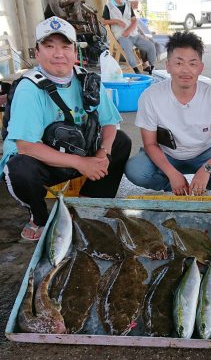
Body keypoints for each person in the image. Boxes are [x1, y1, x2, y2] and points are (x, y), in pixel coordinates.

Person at [0, 16, 131, 241]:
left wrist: (102, 154)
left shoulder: (87, 80)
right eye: (49, 46)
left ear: (74, 51)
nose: (58, 54)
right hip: (43, 163)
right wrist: (82, 163)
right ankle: (39, 217)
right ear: (37, 52)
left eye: (65, 46)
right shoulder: (28, 89)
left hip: (79, 151)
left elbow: (110, 122)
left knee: (121, 141)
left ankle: (90, 203)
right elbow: (26, 146)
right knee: (20, 168)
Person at [125, 31, 211, 198]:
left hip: (205, 152)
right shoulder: (150, 96)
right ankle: (174, 188)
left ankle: (204, 185)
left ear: (201, 68)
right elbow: (150, 144)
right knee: (135, 169)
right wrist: (172, 173)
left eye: (192, 64)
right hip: (167, 154)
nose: (186, 70)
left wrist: (206, 170)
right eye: (179, 63)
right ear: (168, 66)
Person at [102, 0, 157, 74]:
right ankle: (135, 69)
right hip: (121, 36)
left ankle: (152, 67)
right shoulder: (109, 6)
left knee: (150, 46)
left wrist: (129, 30)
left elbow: (134, 20)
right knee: (127, 48)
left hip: (133, 34)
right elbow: (103, 21)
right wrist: (116, 21)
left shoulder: (127, 4)